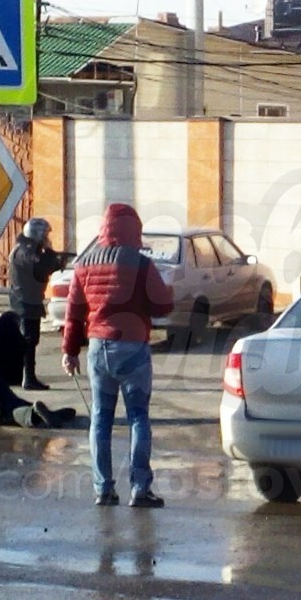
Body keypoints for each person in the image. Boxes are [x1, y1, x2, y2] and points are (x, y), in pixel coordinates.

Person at [62, 203, 174, 508]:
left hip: (98, 348)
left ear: (105, 228)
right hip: (133, 347)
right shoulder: (141, 264)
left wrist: (70, 352)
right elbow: (163, 306)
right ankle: (140, 489)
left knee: (100, 418)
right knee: (138, 417)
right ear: (133, 231)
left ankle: (103, 489)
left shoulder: (83, 264)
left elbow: (73, 313)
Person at [9, 217, 66, 391]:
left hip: (29, 300)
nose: (47, 238)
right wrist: (52, 255)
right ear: (37, 234)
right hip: (24, 301)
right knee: (28, 340)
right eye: (45, 235)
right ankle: (28, 378)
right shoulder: (25, 251)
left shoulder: (29, 250)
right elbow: (41, 268)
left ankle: (26, 376)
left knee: (30, 340)